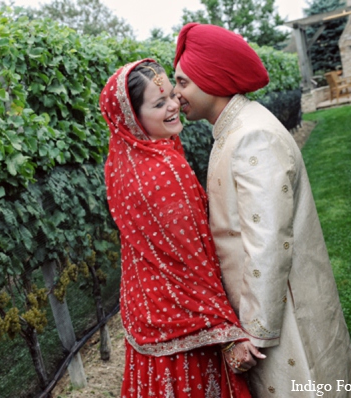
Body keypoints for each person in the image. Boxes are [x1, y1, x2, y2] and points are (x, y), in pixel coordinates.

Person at [172, 23, 351, 397]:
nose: (176, 93)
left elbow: (268, 242)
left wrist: (255, 333)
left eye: (182, 82)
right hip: (273, 305)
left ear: (210, 78)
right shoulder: (233, 129)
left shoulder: (250, 137)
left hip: (283, 314)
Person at [100, 58, 257, 398]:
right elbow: (193, 262)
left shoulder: (119, 164)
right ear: (132, 118)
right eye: (159, 103)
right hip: (184, 324)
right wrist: (226, 329)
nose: (174, 105)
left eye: (172, 94)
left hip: (146, 314)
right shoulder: (165, 169)